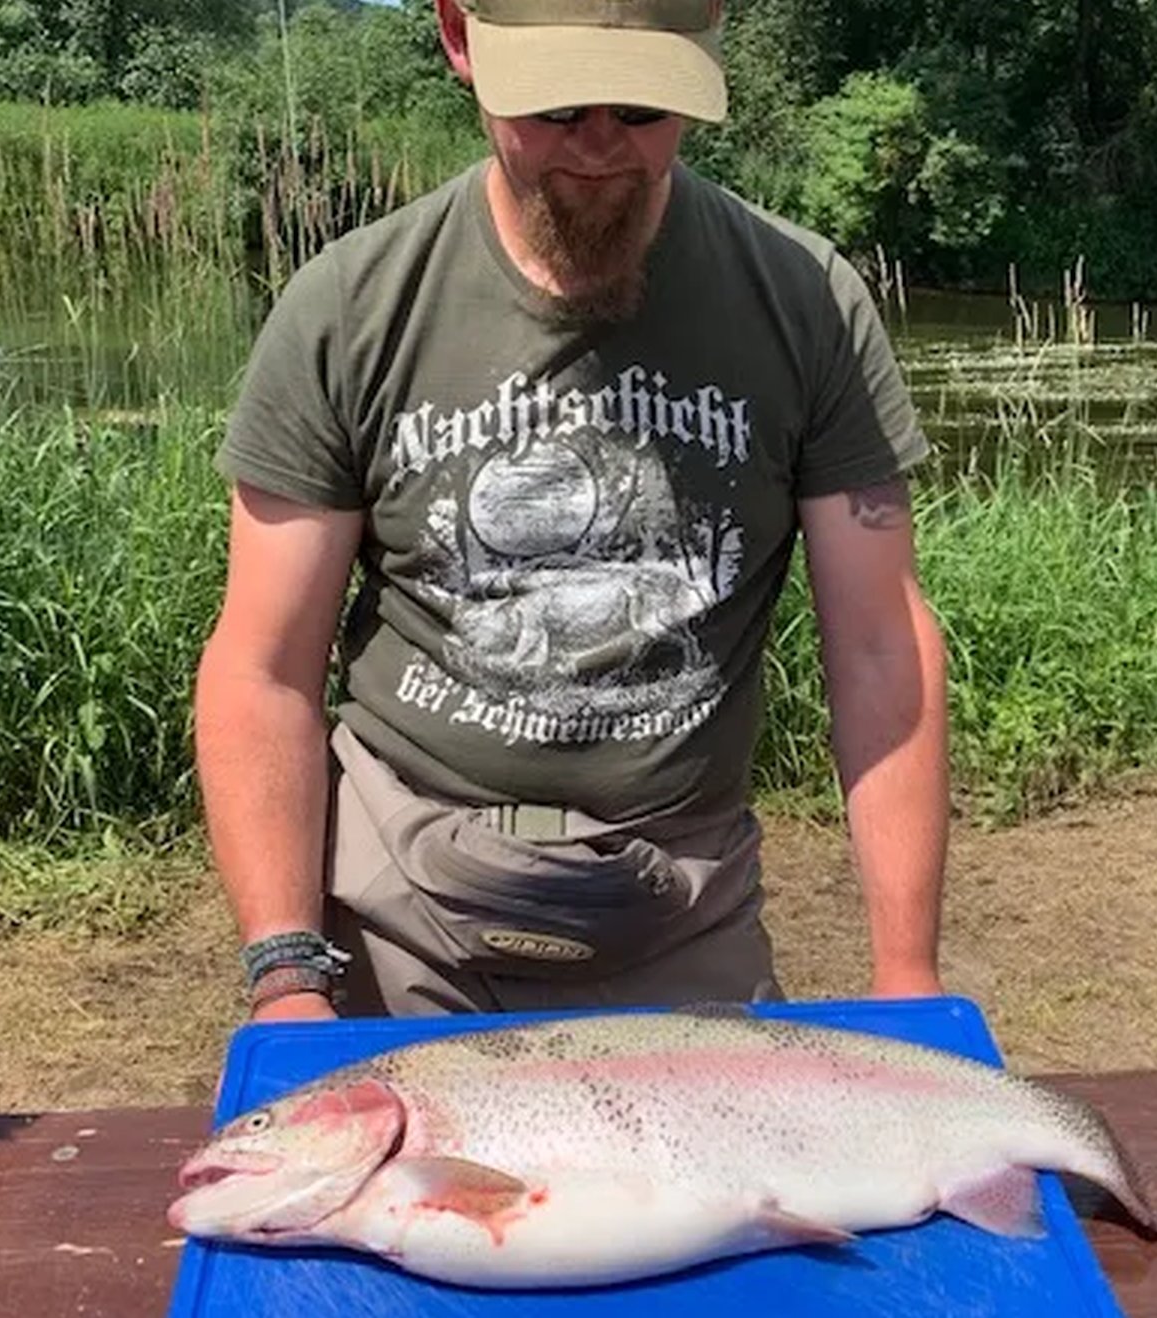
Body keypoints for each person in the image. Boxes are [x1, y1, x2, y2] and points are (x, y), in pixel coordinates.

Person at [194, 0, 950, 1022]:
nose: (598, 148)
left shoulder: (806, 302)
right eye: (554, 105)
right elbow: (264, 665)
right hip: (401, 908)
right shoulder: (349, 308)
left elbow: (880, 644)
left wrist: (906, 979)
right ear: (460, 38)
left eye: (642, 106)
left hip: (681, 904)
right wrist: (287, 973)